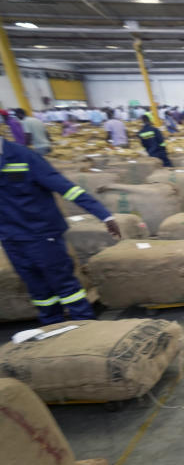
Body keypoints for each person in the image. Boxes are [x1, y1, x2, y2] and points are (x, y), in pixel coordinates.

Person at [0, 137, 122, 325]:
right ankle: (53, 328)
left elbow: (65, 187)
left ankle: (85, 325)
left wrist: (104, 215)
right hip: (10, 237)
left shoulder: (22, 156)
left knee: (64, 285)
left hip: (41, 234)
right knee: (37, 289)